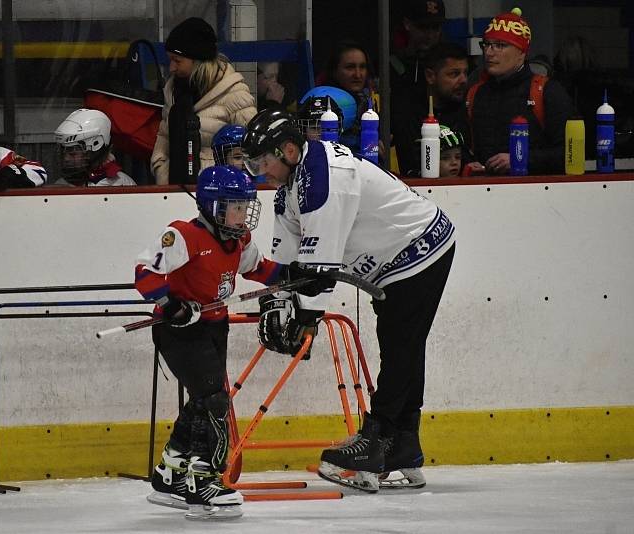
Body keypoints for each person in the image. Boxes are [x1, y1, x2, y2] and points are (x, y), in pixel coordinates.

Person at [242, 108, 456, 493]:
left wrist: (303, 322)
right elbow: (287, 265)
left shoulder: (324, 180)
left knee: (400, 344)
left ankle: (376, 441)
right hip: (391, 261)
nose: (259, 172)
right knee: (400, 344)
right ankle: (403, 445)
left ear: (289, 149)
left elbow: (317, 274)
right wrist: (274, 306)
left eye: (263, 162)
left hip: (420, 247)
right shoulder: (290, 189)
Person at [135, 165, 331, 519]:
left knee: (203, 399)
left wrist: (294, 276)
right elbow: (145, 274)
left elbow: (258, 269)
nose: (243, 215)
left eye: (245, 206)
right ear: (213, 206)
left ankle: (171, 472)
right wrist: (171, 304)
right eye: (235, 207)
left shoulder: (237, 239)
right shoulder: (184, 235)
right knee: (214, 400)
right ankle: (204, 479)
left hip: (214, 327)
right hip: (180, 331)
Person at [465, 8, 574, 176]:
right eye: (486, 44)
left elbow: (570, 155)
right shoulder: (475, 93)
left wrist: (520, 159)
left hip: (537, 193)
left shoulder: (547, 92)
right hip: (482, 192)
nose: (489, 52)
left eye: (500, 45)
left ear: (522, 52)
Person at [151, 17, 256, 185]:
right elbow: (163, 139)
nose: (171, 67)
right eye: (170, 60)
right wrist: (162, 172)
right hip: (174, 192)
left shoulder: (234, 93)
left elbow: (253, 148)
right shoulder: (172, 92)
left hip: (220, 195)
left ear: (197, 60)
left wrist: (219, 180)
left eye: (177, 61)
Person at [392, 42, 470, 176]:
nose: (463, 80)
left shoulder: (466, 110)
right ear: (430, 76)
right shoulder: (403, 113)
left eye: (465, 73)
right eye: (454, 74)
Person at [320, 41, 378, 153]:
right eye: (350, 67)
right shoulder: (321, 103)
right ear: (334, 71)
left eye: (362, 67)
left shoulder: (368, 101)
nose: (358, 74)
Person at [54, 108, 136, 187]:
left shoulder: (121, 184)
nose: (66, 158)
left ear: (96, 148)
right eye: (63, 153)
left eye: (73, 153)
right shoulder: (62, 184)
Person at [390, 0, 446, 97]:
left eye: (435, 28)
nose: (430, 35)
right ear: (407, 24)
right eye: (423, 27)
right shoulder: (392, 67)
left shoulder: (448, 66)